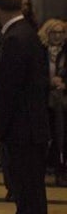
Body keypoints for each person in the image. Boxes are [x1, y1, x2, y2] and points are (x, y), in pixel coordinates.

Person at [0, 0, 51, 214]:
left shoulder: (16, 38)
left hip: (23, 130)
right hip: (26, 127)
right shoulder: (24, 32)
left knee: (30, 192)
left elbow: (9, 91)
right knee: (22, 190)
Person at [38, 19, 67, 185]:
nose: (57, 36)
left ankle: (61, 170)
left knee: (61, 135)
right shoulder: (41, 51)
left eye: (61, 32)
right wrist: (48, 82)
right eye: (54, 32)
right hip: (44, 98)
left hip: (62, 99)